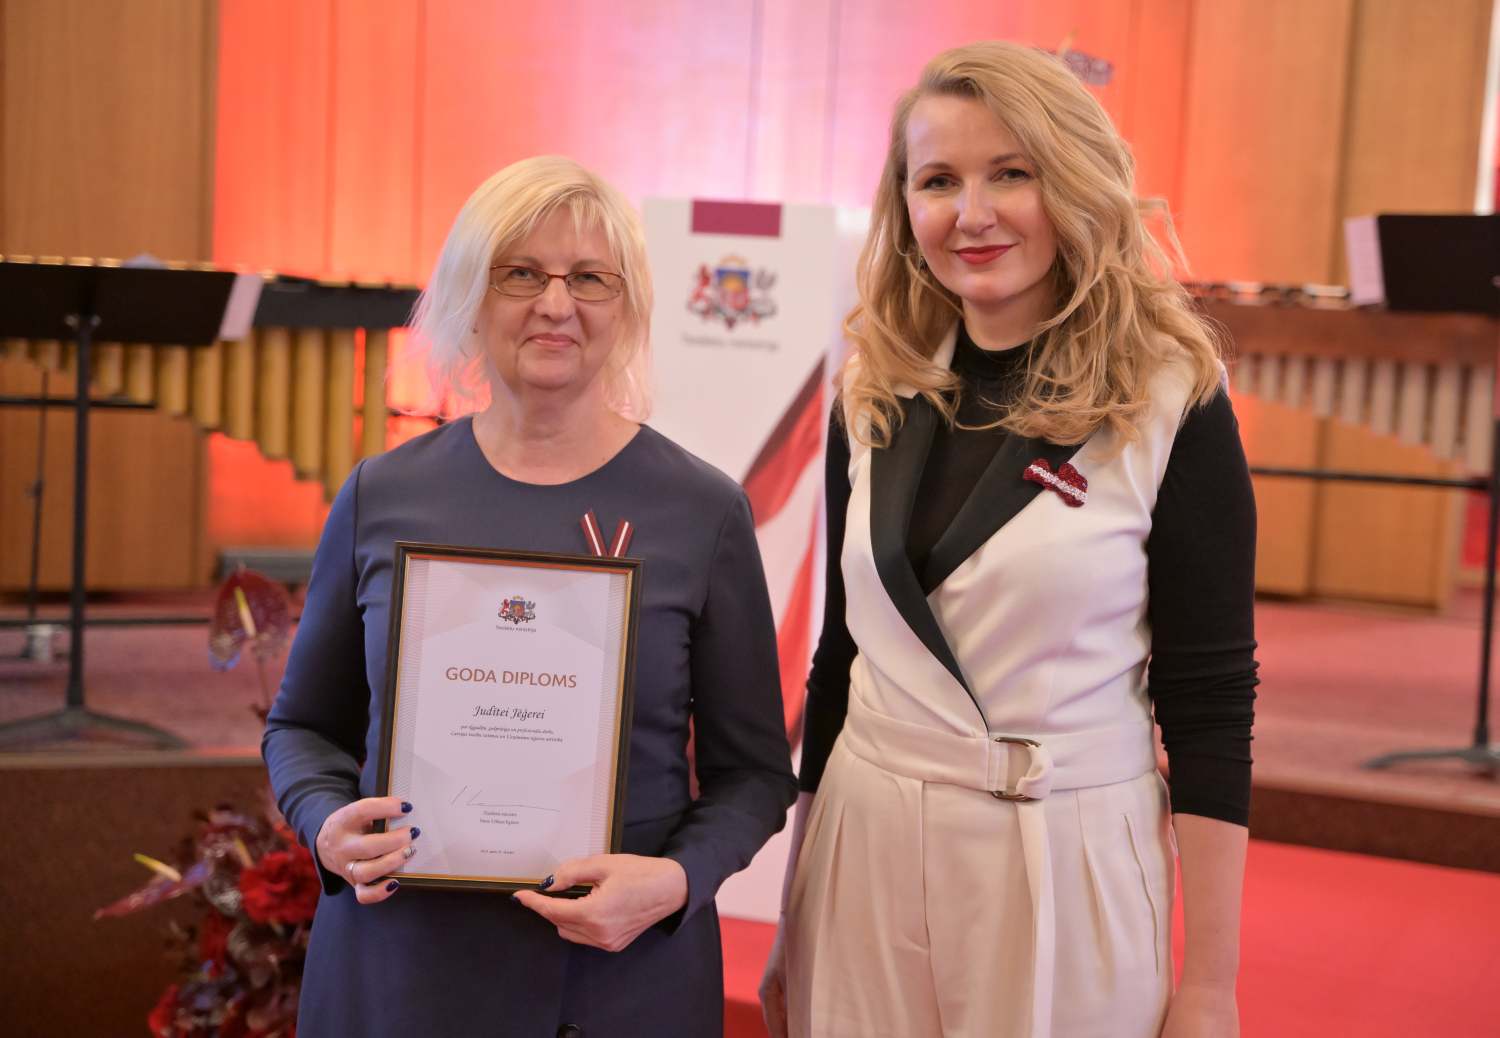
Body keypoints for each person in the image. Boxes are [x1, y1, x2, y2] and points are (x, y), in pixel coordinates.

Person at [759, 41, 1257, 1038]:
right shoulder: (872, 390)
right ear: (904, 205)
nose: (972, 213)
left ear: (1072, 183)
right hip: (863, 844)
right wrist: (791, 911)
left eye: (1011, 173)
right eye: (938, 180)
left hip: (1063, 856)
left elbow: (1208, 704)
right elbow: (842, 661)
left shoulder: (1170, 400)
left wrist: (1210, 982)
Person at [263, 155, 798, 1038]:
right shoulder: (381, 494)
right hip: (400, 967)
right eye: (520, 273)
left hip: (617, 978)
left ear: (626, 307)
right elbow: (302, 727)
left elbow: (754, 775)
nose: (556, 304)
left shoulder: (701, 512)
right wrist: (325, 825)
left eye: (590, 278)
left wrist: (676, 882)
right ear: (471, 297)